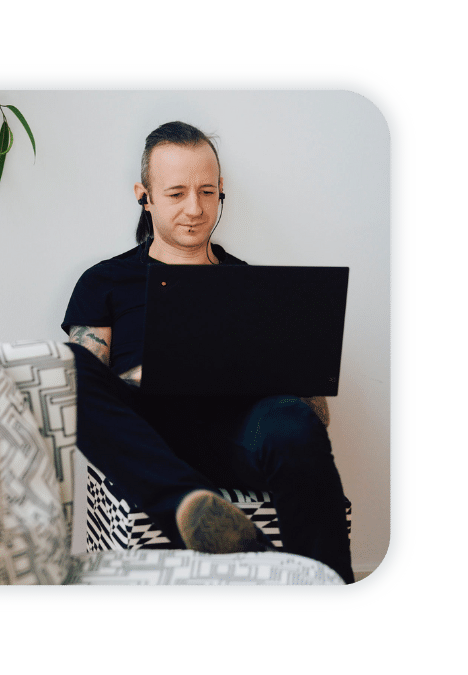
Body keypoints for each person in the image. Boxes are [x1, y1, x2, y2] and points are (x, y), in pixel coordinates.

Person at [62, 121, 355, 583]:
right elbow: (80, 403)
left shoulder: (252, 285)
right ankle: (191, 505)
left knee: (291, 422)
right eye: (177, 193)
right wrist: (145, 376)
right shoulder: (104, 281)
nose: (195, 209)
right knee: (69, 367)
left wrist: (274, 376)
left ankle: (331, 594)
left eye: (207, 192)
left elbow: (315, 413)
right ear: (145, 195)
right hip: (145, 437)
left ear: (221, 192)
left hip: (232, 434)